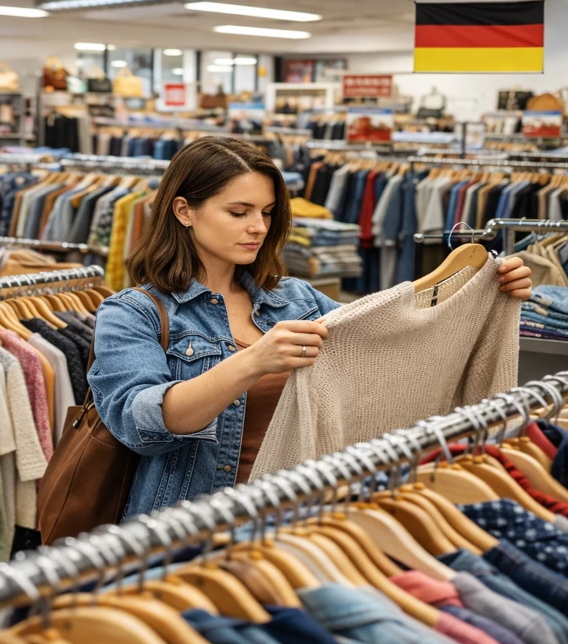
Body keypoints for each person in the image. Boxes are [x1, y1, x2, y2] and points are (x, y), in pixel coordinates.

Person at [87, 137, 533, 521]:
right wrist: (253, 362)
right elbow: (143, 423)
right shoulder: (133, 314)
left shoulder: (297, 300)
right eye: (239, 212)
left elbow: (390, 348)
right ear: (184, 210)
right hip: (195, 526)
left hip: (303, 516)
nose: (258, 227)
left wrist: (482, 292)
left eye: (266, 211)